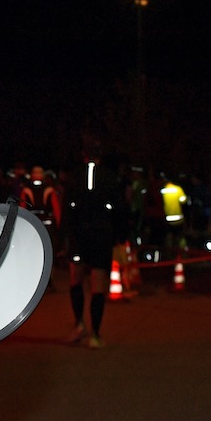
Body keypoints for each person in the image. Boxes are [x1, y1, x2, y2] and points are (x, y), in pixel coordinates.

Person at [63, 137, 129, 349]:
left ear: (83, 154)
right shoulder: (110, 177)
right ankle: (95, 334)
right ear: (101, 155)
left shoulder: (74, 176)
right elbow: (120, 209)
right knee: (98, 283)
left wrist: (65, 235)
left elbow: (66, 209)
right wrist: (121, 236)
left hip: (78, 235)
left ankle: (79, 324)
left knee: (76, 279)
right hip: (101, 235)